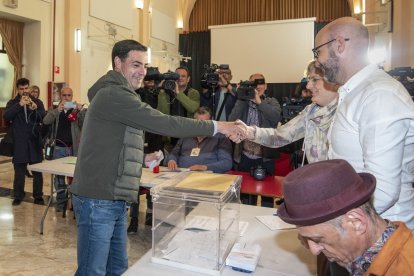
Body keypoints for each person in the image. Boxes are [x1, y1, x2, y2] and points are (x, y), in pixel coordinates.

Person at [70, 39, 240, 275]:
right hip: (99, 198)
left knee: (117, 268)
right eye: (135, 64)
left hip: (114, 197)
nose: (141, 72)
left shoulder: (120, 93)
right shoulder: (114, 94)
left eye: (144, 66)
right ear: (118, 63)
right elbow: (165, 122)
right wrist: (217, 127)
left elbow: (113, 143)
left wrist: (141, 158)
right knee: (93, 271)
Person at [314, 17, 414, 230]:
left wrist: (334, 224)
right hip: (358, 225)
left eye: (318, 52)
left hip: (380, 237)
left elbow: (382, 191)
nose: (317, 62)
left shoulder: (379, 94)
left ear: (339, 45)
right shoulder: (356, 92)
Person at [277, 159, 414, 275]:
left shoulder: (406, 269)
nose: (314, 251)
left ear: (356, 222)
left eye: (317, 240)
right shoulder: (357, 256)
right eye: (306, 239)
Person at [229, 73, 282, 207]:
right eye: (253, 83)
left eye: (261, 83)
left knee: (267, 196)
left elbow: (276, 118)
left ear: (266, 86)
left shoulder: (271, 102)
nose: (257, 86)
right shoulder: (243, 103)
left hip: (265, 156)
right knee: (245, 194)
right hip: (244, 155)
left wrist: (259, 101)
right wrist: (242, 97)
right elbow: (232, 120)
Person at [3, 78, 46, 206]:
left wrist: (35, 109)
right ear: (18, 89)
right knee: (20, 171)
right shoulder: (12, 102)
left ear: (29, 88)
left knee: (37, 171)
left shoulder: (37, 101)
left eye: (26, 88)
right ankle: (18, 196)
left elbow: (43, 117)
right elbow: (7, 116)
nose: (24, 91)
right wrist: (19, 105)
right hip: (20, 142)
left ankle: (38, 196)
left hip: (34, 141)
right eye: (21, 89)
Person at [43, 87, 86, 212]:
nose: (66, 98)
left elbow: (85, 123)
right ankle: (61, 203)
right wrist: (57, 110)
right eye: (64, 95)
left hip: (73, 149)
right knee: (59, 177)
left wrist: (81, 110)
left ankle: (74, 203)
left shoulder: (76, 110)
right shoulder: (54, 109)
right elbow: (46, 121)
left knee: (74, 177)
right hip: (58, 148)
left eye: (69, 95)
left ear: (72, 96)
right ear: (60, 96)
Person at [166, 106, 233, 173]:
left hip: (206, 177)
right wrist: (171, 160)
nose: (202, 126)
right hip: (181, 174)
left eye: (205, 123)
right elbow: (174, 153)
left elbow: (226, 163)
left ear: (212, 122)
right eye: (198, 123)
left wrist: (204, 167)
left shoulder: (220, 138)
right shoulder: (186, 135)